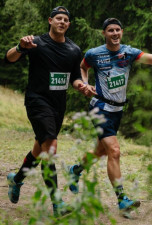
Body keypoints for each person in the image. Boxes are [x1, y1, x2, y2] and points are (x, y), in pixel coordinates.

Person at [68, 18, 152, 217]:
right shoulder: (94, 54)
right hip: (100, 107)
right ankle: (122, 200)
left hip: (117, 111)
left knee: (101, 151)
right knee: (114, 151)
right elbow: (82, 67)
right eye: (110, 30)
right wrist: (86, 84)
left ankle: (76, 170)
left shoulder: (129, 53)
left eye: (117, 30)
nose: (114, 33)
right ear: (104, 33)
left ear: (122, 32)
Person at [5, 6, 92, 217]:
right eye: (58, 18)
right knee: (51, 147)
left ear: (69, 24)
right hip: (37, 100)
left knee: (40, 148)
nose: (62, 22)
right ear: (50, 20)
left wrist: (81, 85)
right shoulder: (36, 42)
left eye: (65, 20)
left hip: (58, 105)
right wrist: (19, 46)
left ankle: (16, 180)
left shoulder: (73, 50)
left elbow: (75, 77)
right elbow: (8, 58)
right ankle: (57, 203)